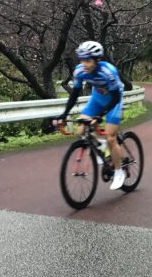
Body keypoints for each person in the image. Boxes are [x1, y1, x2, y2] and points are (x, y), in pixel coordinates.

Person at [54, 41, 126, 190]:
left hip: (113, 101)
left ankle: (119, 172)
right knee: (80, 131)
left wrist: (100, 115)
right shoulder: (79, 71)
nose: (84, 64)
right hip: (96, 100)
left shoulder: (108, 71)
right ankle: (100, 145)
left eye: (88, 60)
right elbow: (74, 94)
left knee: (111, 136)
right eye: (81, 60)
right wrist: (64, 113)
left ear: (97, 60)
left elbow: (115, 98)